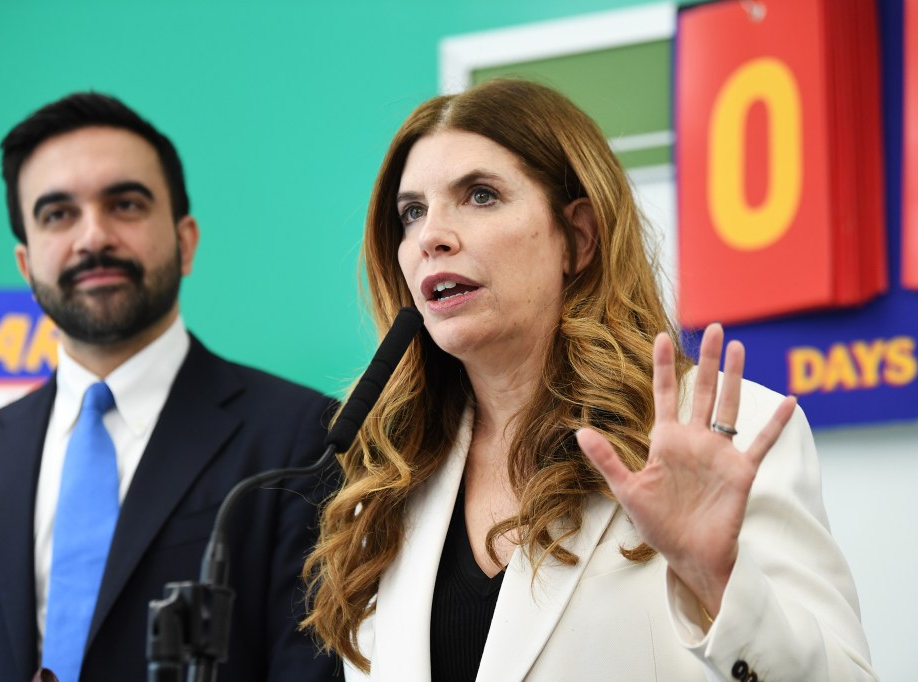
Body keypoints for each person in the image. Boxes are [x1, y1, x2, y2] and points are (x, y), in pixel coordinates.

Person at [302, 79, 876, 681]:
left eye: (480, 195)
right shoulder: (387, 477)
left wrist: (721, 583)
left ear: (577, 237)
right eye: (412, 212)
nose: (430, 237)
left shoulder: (718, 437)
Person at [0, 92, 342, 682]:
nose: (93, 237)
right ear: (26, 265)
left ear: (186, 242)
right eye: (58, 214)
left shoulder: (302, 440)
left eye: (125, 205)